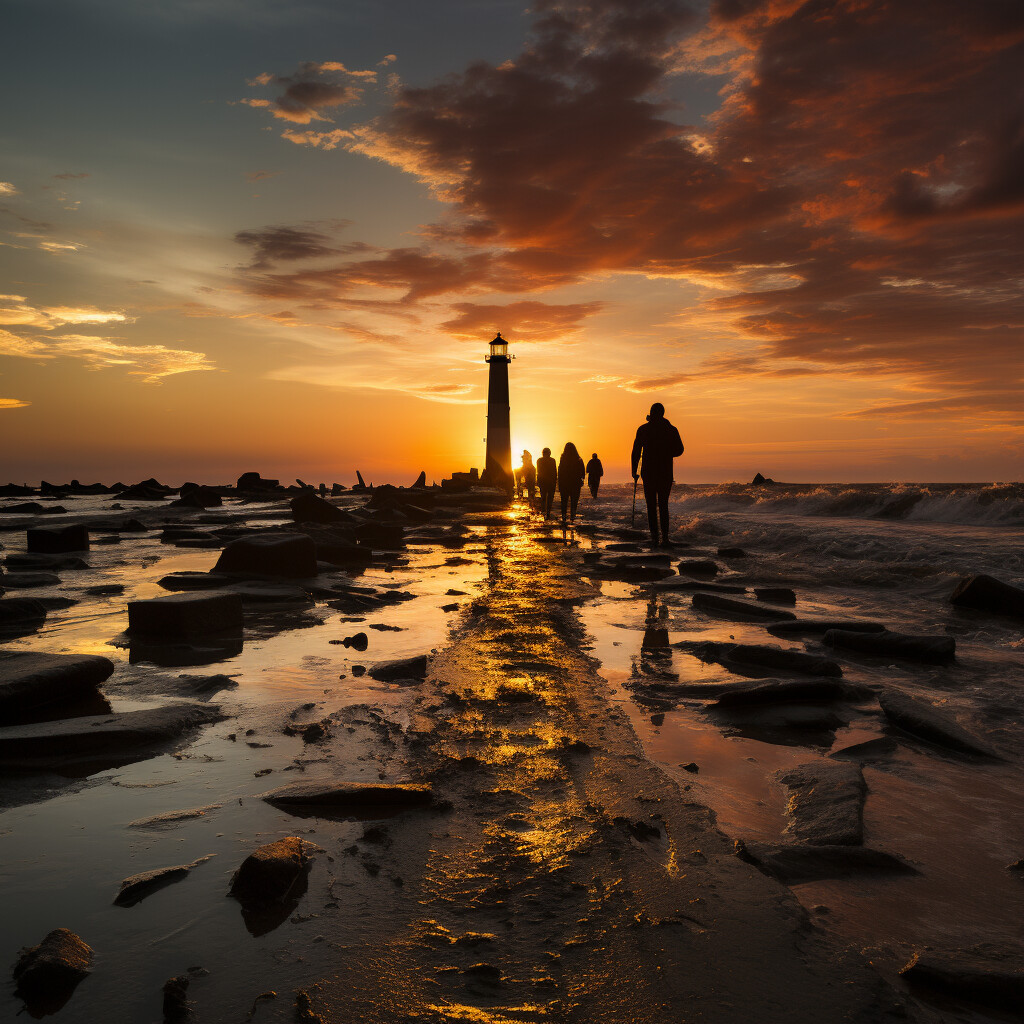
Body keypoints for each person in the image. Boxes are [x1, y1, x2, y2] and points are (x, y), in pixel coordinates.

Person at [630, 402, 684, 546]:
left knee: (651, 505)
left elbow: (635, 452)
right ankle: (665, 537)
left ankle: (655, 536)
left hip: (648, 472)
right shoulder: (671, 430)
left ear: (651, 413)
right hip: (665, 472)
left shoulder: (643, 429)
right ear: (663, 413)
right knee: (663, 505)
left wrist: (634, 471)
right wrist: (667, 453)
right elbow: (680, 450)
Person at [557, 442, 585, 523]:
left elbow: (560, 471)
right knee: (574, 501)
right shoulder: (578, 459)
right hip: (575, 484)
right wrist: (581, 479)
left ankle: (564, 516)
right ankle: (572, 517)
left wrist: (559, 483)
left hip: (564, 483)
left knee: (564, 501)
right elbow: (582, 473)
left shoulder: (563, 459)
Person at [536, 447, 557, 519]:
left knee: (543, 497)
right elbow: (554, 472)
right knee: (549, 497)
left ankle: (544, 511)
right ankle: (547, 511)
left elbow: (538, 471)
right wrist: (555, 481)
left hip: (543, 481)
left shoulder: (539, 460)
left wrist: (538, 481)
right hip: (550, 481)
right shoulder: (552, 460)